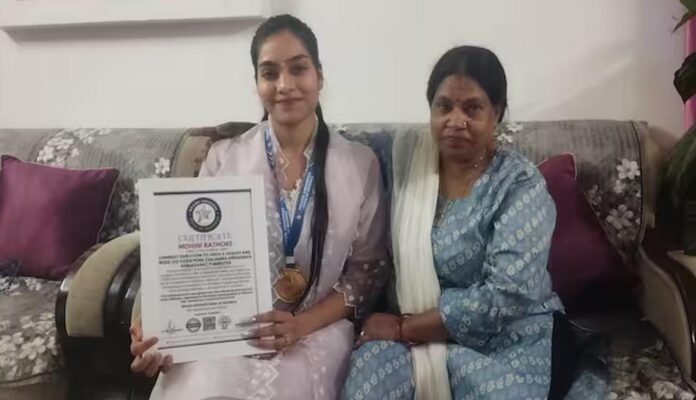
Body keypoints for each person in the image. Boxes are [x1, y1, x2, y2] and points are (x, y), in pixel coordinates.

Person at [129, 14, 389, 400]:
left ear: (319, 76)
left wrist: (301, 325)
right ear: (257, 84)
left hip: (315, 331)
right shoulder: (224, 158)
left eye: (298, 68)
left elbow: (366, 274)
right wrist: (159, 332)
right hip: (229, 333)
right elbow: (189, 263)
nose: (285, 85)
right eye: (269, 73)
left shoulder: (359, 164)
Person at [342, 46, 606, 400]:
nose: (455, 121)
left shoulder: (518, 185)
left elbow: (508, 295)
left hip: (509, 338)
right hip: (410, 336)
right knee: (366, 386)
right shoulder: (403, 164)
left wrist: (405, 328)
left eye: (472, 108)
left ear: (496, 112)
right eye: (444, 106)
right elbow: (330, 156)